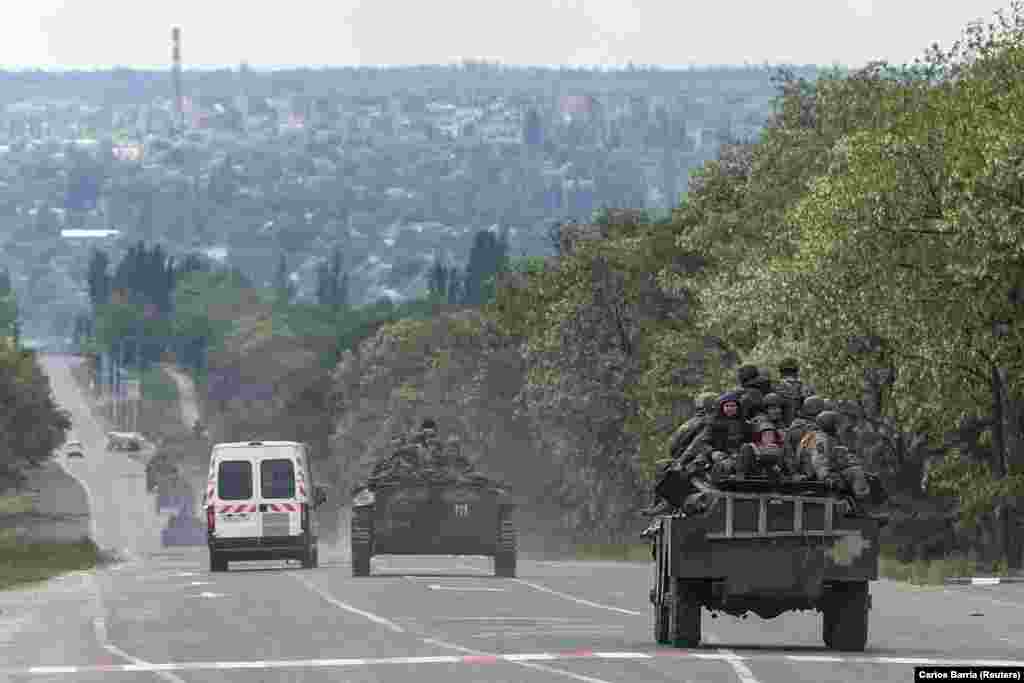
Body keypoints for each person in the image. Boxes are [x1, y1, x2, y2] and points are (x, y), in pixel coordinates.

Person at [775, 358, 815, 424]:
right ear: (796, 372)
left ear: (781, 372)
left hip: (781, 427)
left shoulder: (775, 386)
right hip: (802, 426)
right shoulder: (806, 388)